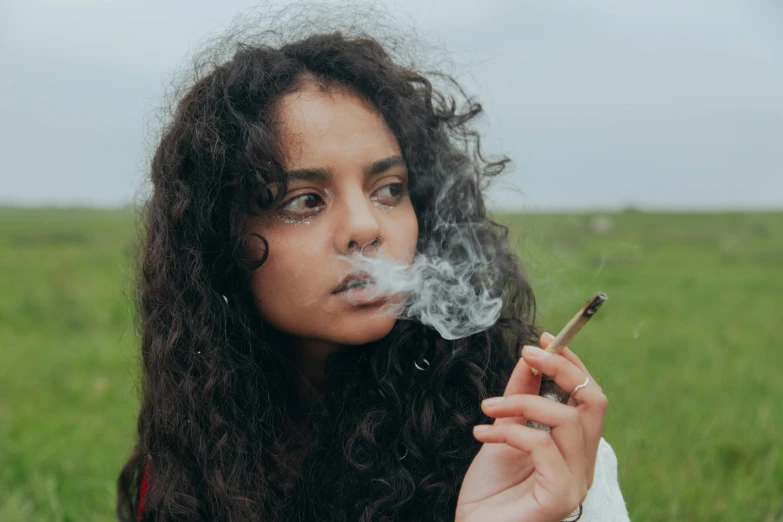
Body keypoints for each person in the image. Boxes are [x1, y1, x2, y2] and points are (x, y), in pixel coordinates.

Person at [117, 7, 630, 522]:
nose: (366, 228)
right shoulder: (190, 451)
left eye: (389, 190)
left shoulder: (524, 446)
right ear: (218, 239)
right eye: (304, 201)